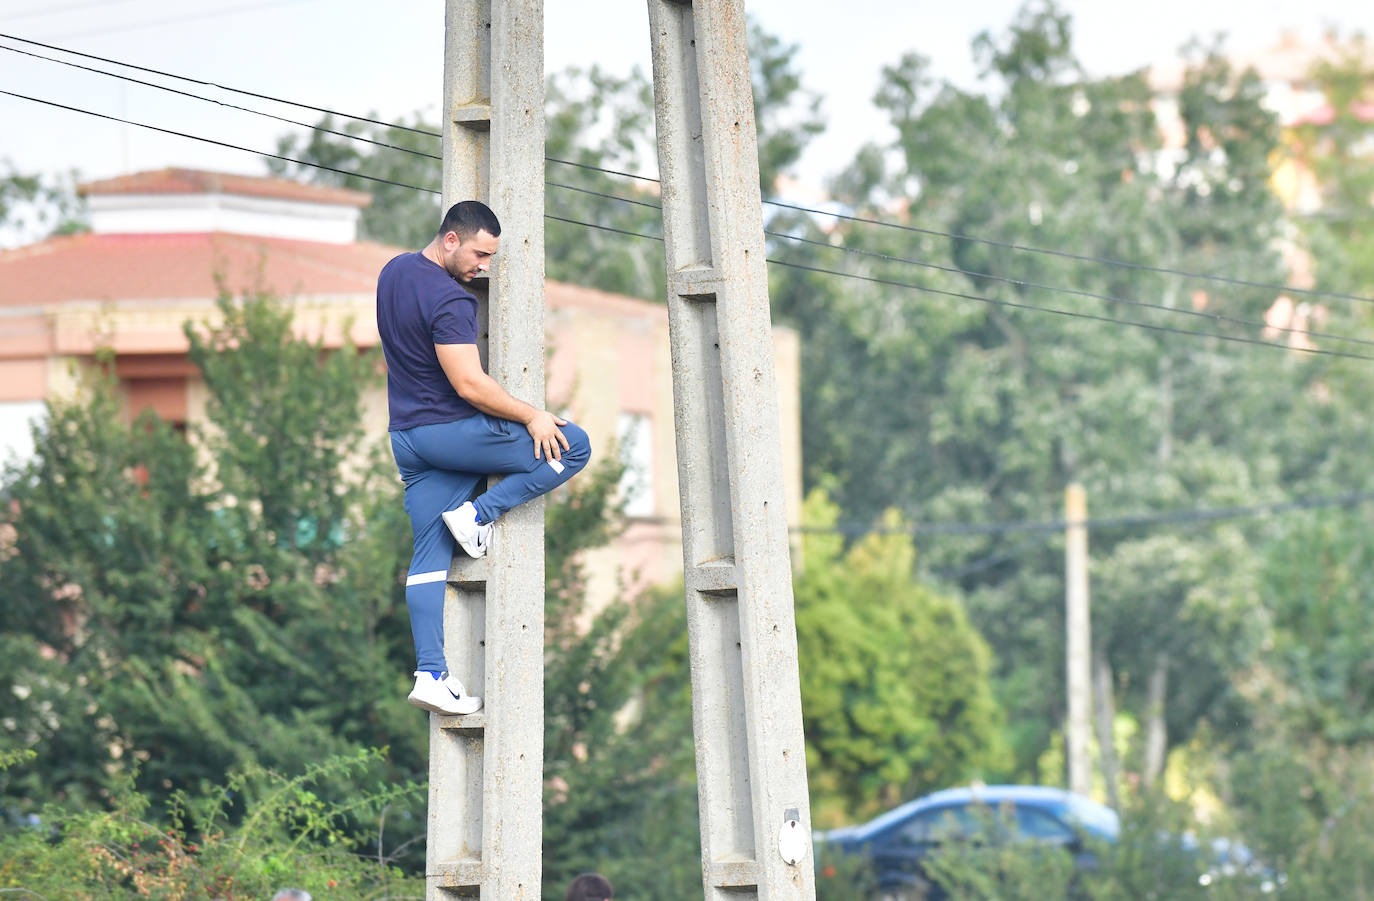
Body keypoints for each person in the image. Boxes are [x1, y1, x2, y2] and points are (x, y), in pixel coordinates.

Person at [377, 200, 592, 715]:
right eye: (479, 254)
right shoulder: (453, 301)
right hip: (446, 432)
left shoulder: (395, 270)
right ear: (451, 239)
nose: (483, 267)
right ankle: (479, 514)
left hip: (405, 436)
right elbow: (470, 385)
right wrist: (533, 415)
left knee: (429, 556)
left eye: (490, 258)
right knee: (573, 444)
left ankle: (430, 674)